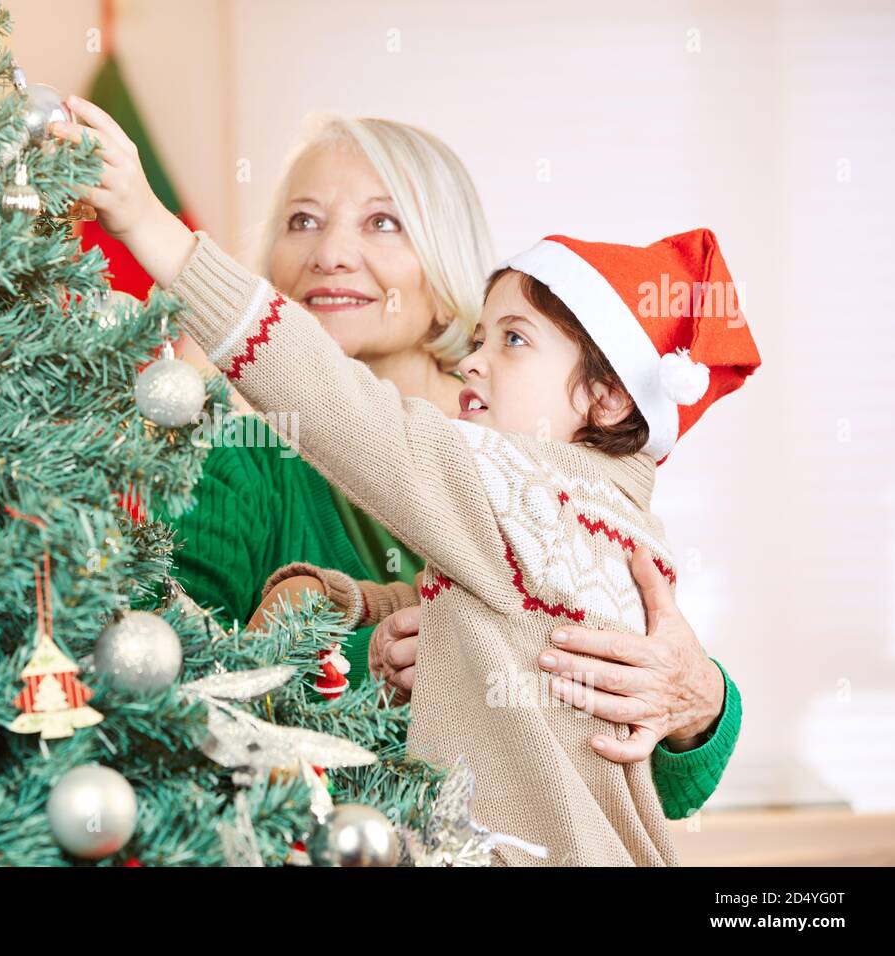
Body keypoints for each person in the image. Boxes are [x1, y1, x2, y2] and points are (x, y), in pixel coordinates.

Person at [50, 99, 741, 827]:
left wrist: (702, 698)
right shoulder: (234, 465)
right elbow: (164, 681)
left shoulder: (541, 475)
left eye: (382, 222)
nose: (328, 254)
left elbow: (654, 771)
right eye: (302, 221)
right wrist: (360, 654)